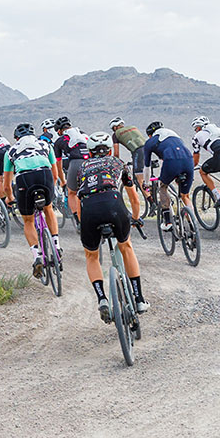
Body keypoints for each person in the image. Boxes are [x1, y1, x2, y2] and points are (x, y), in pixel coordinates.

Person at [76, 131, 148, 322]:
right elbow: (133, 197)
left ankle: (101, 299)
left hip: (90, 210)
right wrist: (135, 218)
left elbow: (79, 198)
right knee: (126, 247)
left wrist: (83, 224)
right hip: (113, 205)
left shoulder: (82, 167)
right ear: (109, 150)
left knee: (92, 256)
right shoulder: (118, 163)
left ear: (90, 153)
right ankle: (139, 299)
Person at [1, 123, 62, 277]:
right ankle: (56, 247)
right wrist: (50, 190)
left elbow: (6, 184)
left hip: (24, 179)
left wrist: (10, 198)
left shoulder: (11, 151)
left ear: (16, 138)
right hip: (45, 175)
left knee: (28, 221)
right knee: (48, 209)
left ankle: (37, 258)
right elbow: (55, 175)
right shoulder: (45, 144)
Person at [143, 121, 194, 231]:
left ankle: (168, 222)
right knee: (185, 195)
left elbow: (146, 167)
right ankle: (193, 225)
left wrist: (146, 183)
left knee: (163, 187)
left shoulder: (150, 142)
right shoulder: (174, 134)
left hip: (171, 161)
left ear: (150, 134)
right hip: (189, 159)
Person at [190, 116, 220, 213]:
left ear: (199, 127)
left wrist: (189, 169)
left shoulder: (196, 137)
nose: (195, 131)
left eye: (195, 129)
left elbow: (195, 162)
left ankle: (218, 196)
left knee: (203, 172)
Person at [53, 116, 89, 223]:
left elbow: (58, 165)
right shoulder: (83, 134)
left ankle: (78, 220)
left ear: (59, 131)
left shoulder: (60, 141)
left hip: (76, 162)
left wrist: (63, 182)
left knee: (72, 193)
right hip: (91, 162)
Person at [109, 117, 147, 195]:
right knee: (145, 171)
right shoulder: (133, 128)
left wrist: (115, 163)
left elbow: (116, 153)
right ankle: (153, 188)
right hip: (148, 149)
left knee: (138, 177)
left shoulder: (116, 134)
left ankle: (151, 200)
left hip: (137, 152)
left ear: (115, 127)